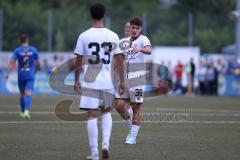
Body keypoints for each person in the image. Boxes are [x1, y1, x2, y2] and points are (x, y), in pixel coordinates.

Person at [73, 4, 125, 160]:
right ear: (104, 16)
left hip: (90, 81)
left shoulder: (84, 36)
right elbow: (120, 60)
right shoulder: (113, 35)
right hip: (107, 81)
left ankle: (95, 153)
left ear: (90, 16)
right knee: (106, 112)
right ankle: (106, 145)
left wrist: (76, 80)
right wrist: (122, 81)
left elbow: (78, 61)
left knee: (92, 115)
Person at [115, 16, 152, 145]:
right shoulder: (124, 42)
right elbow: (119, 59)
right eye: (133, 27)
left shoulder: (143, 39)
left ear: (140, 29)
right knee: (119, 105)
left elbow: (149, 50)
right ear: (129, 28)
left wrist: (140, 49)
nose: (135, 29)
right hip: (126, 78)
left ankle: (133, 137)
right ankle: (132, 128)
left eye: (137, 28)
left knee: (136, 107)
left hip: (138, 78)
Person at [7, 34, 40, 119]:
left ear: (20, 41)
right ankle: (26, 111)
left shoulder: (17, 51)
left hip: (21, 75)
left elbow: (12, 62)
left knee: (22, 94)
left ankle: (22, 112)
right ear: (27, 40)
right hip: (30, 75)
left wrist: (8, 73)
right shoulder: (33, 50)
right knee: (28, 93)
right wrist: (38, 68)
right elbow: (38, 63)